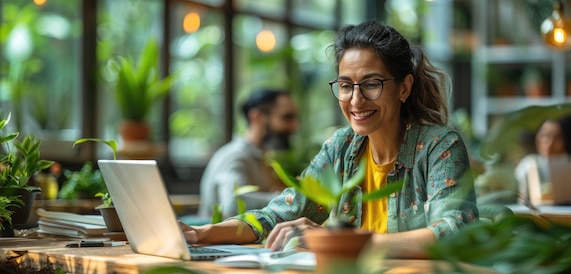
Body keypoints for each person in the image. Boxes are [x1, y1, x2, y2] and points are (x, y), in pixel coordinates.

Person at [182, 21, 478, 257]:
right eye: (346, 86)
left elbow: (454, 233)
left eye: (372, 84)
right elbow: (278, 213)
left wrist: (338, 242)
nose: (356, 100)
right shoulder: (341, 147)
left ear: (404, 88)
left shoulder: (440, 146)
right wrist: (199, 233)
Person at [198, 89, 299, 218]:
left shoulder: (263, 157)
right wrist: (289, 199)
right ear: (256, 117)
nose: (295, 126)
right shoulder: (234, 156)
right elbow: (233, 205)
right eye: (286, 117)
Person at [514, 111, 571, 205]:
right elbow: (522, 202)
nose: (549, 143)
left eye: (558, 138)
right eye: (545, 135)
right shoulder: (529, 164)